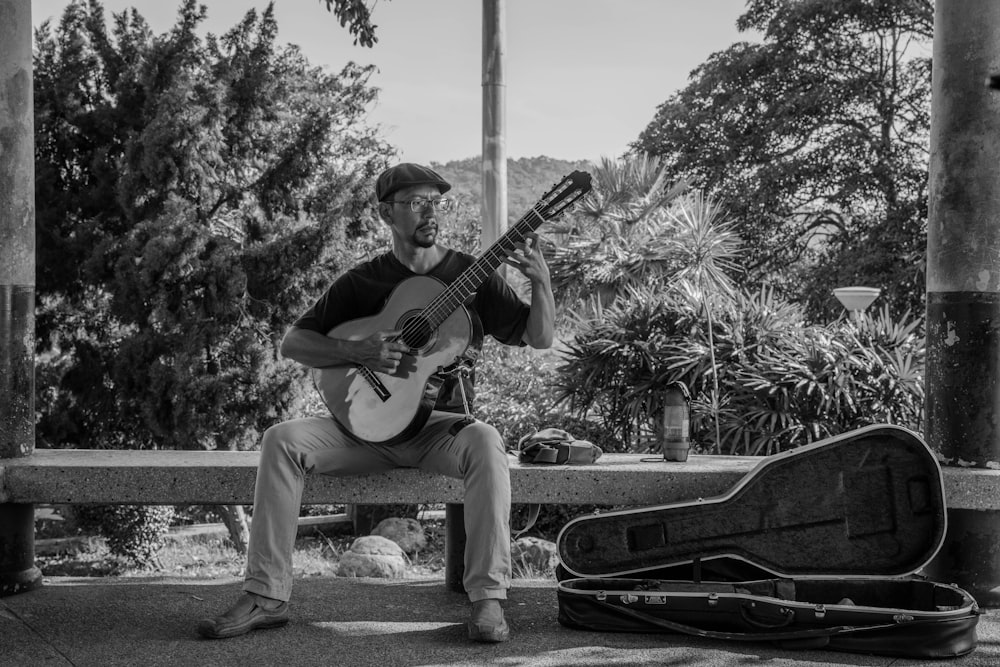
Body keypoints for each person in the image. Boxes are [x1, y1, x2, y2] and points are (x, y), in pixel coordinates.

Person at [197, 163, 555, 643]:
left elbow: (540, 337)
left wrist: (543, 284)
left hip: (438, 432)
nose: (430, 211)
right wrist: (356, 350)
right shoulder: (362, 282)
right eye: (416, 202)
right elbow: (294, 344)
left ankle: (488, 601)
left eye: (436, 201)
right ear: (387, 213)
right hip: (360, 429)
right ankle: (266, 596)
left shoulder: (473, 276)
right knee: (281, 439)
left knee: (488, 442)